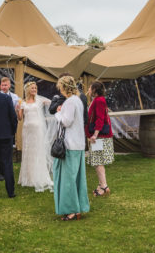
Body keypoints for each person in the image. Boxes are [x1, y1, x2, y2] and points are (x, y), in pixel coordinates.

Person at [53, 75, 90, 221]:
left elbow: (66, 122)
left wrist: (57, 113)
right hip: (79, 144)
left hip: (69, 144)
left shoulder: (70, 102)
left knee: (68, 179)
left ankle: (71, 210)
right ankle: (78, 207)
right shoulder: (78, 101)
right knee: (77, 179)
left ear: (63, 87)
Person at [17, 81, 54, 192]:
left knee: (38, 151)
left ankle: (40, 176)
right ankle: (29, 178)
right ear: (28, 90)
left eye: (35, 88)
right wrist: (17, 109)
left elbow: (52, 103)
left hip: (38, 129)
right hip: (27, 130)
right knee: (29, 152)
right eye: (32, 88)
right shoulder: (23, 102)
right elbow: (20, 118)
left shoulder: (40, 101)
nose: (34, 90)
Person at [86, 81, 114, 197]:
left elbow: (100, 119)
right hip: (99, 136)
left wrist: (95, 135)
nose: (88, 89)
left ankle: (104, 186)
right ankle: (101, 184)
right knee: (98, 161)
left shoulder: (99, 100)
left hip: (100, 137)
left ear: (94, 89)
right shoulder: (97, 100)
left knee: (98, 162)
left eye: (90, 87)